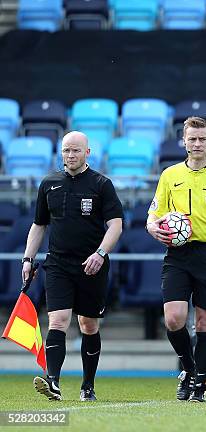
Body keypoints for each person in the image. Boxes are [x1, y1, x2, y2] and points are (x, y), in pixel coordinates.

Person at [146, 117, 206, 403]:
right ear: (184, 141)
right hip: (177, 254)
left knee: (204, 322)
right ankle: (189, 370)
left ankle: (199, 383)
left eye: (202, 139)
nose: (197, 144)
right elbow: (155, 212)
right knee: (174, 319)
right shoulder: (170, 174)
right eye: (192, 139)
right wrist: (152, 226)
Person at [24, 131, 123, 402]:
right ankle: (53, 381)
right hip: (57, 264)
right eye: (66, 150)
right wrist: (28, 258)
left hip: (92, 264)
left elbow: (116, 225)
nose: (70, 155)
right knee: (57, 320)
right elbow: (39, 225)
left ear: (87, 152)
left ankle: (87, 384)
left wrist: (100, 253)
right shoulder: (49, 183)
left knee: (88, 325)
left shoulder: (101, 184)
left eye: (76, 151)